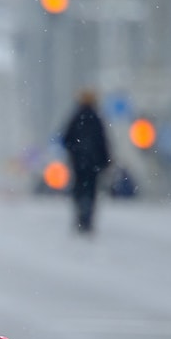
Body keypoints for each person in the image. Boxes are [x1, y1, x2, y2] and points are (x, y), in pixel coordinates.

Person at [60, 88, 110, 233]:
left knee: (79, 189)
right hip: (93, 163)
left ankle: (81, 217)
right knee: (91, 190)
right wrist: (105, 160)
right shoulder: (96, 118)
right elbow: (103, 142)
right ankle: (87, 219)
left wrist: (74, 152)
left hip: (78, 162)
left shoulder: (76, 116)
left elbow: (66, 139)